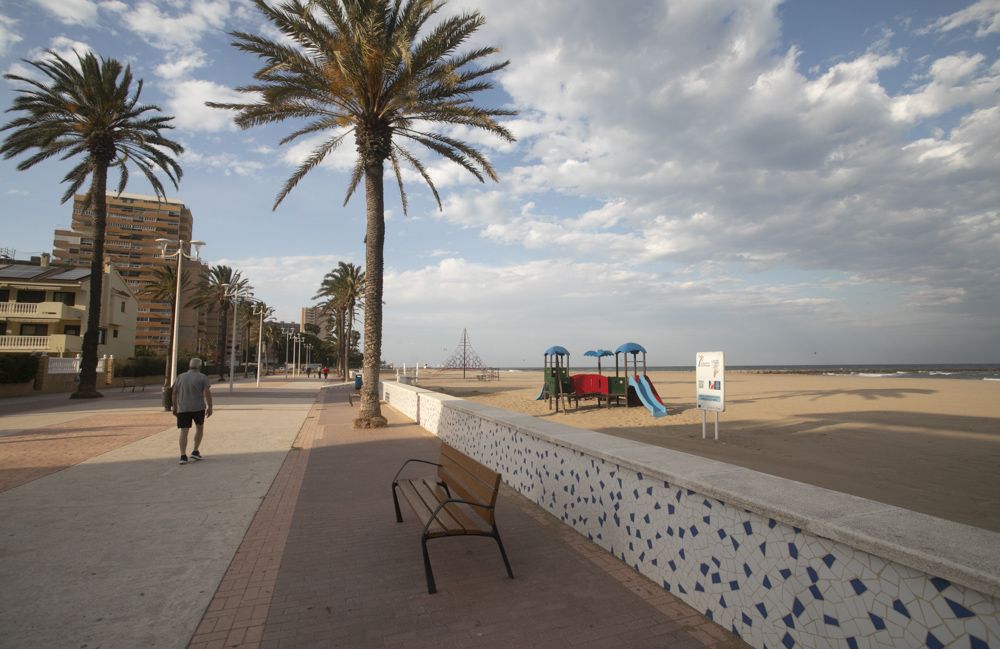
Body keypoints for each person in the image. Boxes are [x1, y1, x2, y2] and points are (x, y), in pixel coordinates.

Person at [172, 357, 213, 465]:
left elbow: (174, 393)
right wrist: (210, 407)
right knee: (199, 428)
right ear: (200, 366)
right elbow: (207, 393)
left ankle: (183, 455)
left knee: (183, 431)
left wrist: (175, 407)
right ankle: (195, 450)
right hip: (198, 407)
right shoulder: (202, 377)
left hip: (183, 408)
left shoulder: (180, 377)